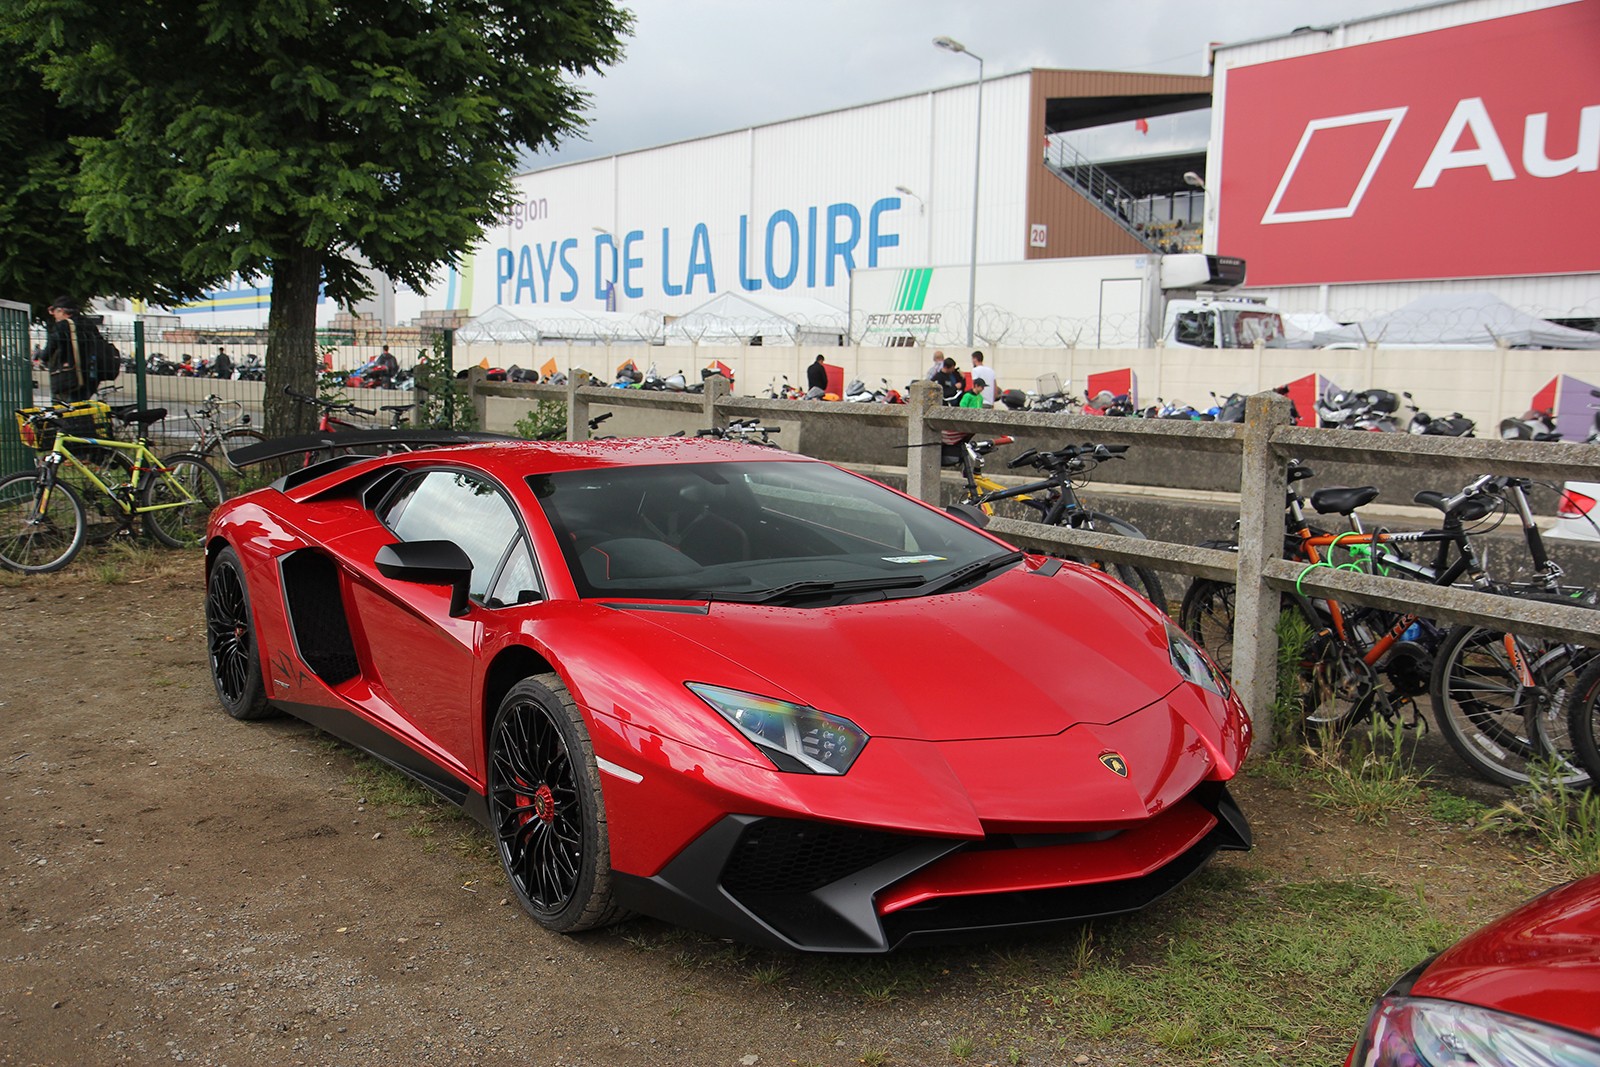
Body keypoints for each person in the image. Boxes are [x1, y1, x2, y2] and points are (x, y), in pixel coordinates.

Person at [39, 296, 102, 403]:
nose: (54, 315)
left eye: (54, 311)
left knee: (65, 407)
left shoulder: (62, 325)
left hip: (71, 373)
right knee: (82, 405)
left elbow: (52, 345)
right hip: (92, 372)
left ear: (61, 311)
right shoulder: (88, 323)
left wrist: (42, 359)